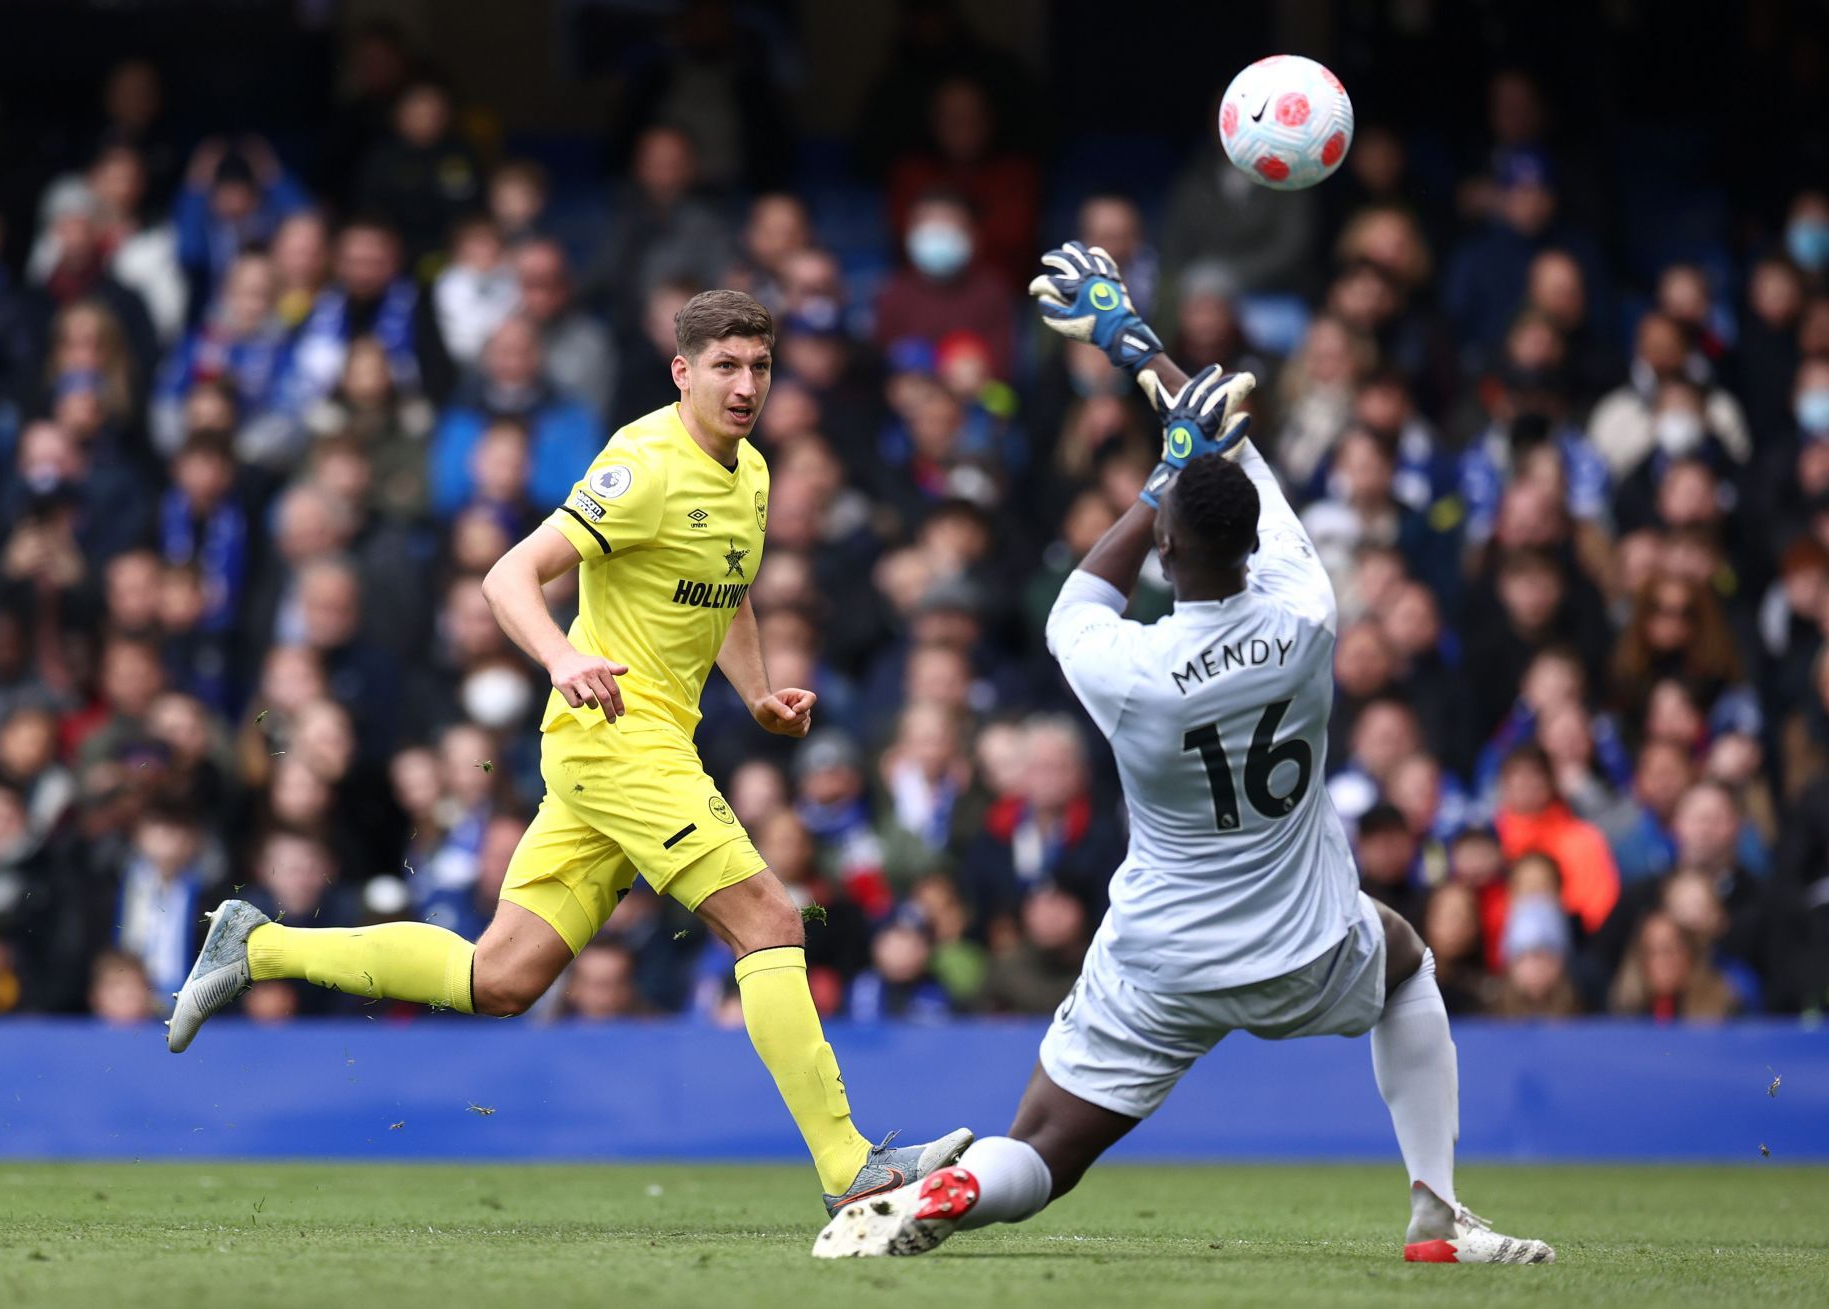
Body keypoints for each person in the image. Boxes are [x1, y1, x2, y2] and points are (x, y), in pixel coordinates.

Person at [816, 244, 1551, 1264]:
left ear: (1168, 552)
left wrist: (1143, 414)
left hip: (1160, 958)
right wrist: (1149, 356)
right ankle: (1436, 1207)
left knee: (1043, 1151)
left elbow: (1086, 588)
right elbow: (1237, 457)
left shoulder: (1130, 668)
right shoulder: (1308, 611)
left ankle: (952, 1187)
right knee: (1407, 963)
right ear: (1255, 546)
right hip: (1303, 944)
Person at [166, 288, 969, 1212]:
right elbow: (507, 573)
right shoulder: (642, 463)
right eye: (726, 367)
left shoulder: (749, 474)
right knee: (770, 920)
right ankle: (849, 1169)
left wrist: (754, 691)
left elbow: (731, 587)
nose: (746, 385)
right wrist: (561, 655)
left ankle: (258, 945)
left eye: (760, 367)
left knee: (500, 976)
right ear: (683, 371)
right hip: (617, 740)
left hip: (638, 744)